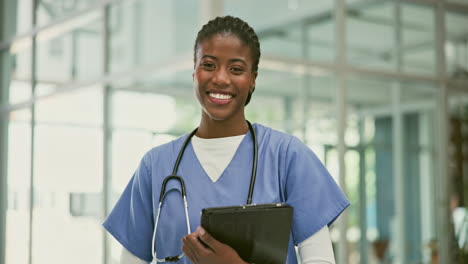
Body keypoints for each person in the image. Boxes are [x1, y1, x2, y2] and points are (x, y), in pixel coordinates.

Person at [103, 16, 349, 264]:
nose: (220, 78)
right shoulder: (155, 165)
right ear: (194, 71)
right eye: (209, 65)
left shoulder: (287, 156)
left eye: (236, 69)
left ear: (253, 78)